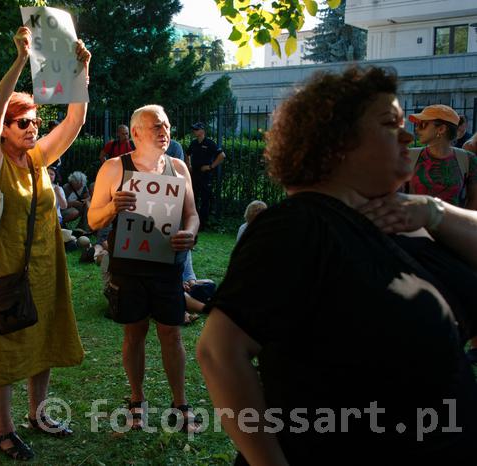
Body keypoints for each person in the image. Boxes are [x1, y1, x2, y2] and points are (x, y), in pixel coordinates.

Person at [196, 66, 477, 465]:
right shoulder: (302, 224)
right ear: (337, 141)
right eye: (389, 123)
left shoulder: (409, 223)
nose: (408, 136)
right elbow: (220, 353)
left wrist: (435, 212)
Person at [0, 26, 89, 461]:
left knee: (42, 342)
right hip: (5, 274)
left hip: (46, 268)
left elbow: (74, 121)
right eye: (23, 123)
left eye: (36, 122)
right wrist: (21, 59)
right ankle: (4, 430)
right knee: (3, 349)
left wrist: (81, 73)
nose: (32, 129)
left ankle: (37, 414)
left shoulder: (38, 159)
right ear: (5, 129)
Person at [88, 104, 202, 433]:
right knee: (133, 333)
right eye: (156, 127)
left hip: (167, 266)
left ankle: (180, 404)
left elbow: (191, 214)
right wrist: (113, 206)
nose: (164, 132)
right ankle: (137, 400)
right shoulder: (113, 168)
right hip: (129, 266)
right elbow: (93, 219)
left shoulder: (179, 168)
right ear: (136, 133)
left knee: (171, 333)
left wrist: (189, 234)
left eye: (166, 126)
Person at [406, 104, 477, 209]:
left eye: (423, 124)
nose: (417, 129)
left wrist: (462, 223)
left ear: (441, 129)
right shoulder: (409, 156)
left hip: (452, 224)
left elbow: (474, 199)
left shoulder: (468, 159)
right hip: (415, 224)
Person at [185, 122, 225, 228]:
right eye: (194, 129)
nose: (194, 131)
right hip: (194, 175)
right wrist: (188, 165)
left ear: (202, 131)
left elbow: (222, 156)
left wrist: (210, 167)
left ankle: (203, 223)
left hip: (205, 176)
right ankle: (193, 222)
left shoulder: (210, 143)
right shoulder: (193, 143)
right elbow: (187, 154)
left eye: (196, 129)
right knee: (194, 198)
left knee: (205, 200)